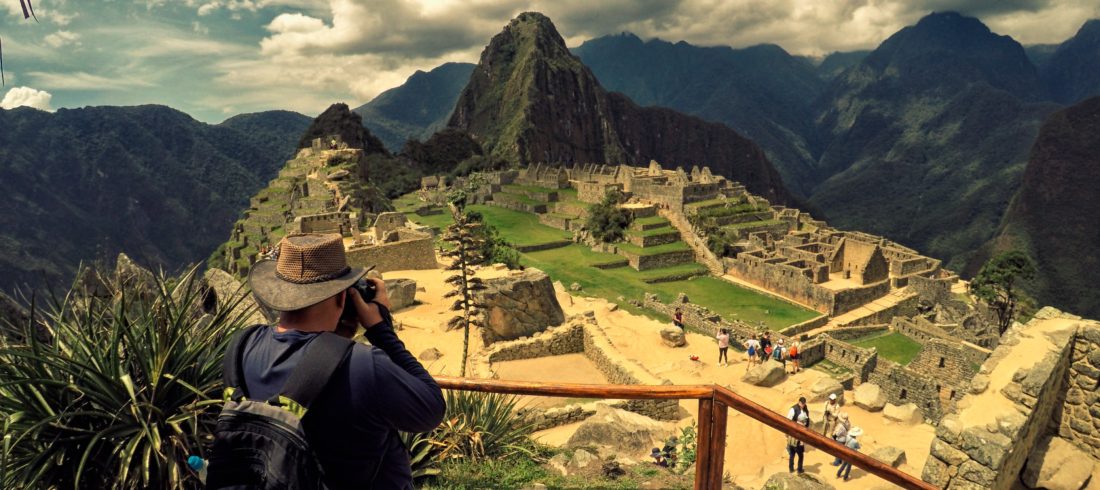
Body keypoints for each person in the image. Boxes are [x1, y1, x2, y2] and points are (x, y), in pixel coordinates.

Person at [225, 233, 445, 489]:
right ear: (343, 298)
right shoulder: (362, 366)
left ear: (279, 294)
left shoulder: (241, 347)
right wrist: (381, 330)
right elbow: (432, 410)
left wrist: (334, 338)